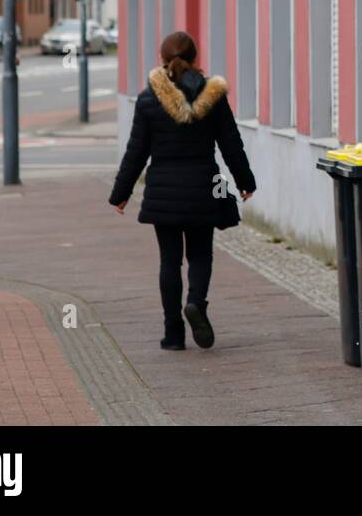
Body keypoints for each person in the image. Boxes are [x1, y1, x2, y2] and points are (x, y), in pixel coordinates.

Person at [109, 31, 257, 350]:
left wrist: (121, 193)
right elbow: (231, 144)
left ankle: (173, 333)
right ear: (195, 59)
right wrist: (246, 182)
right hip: (204, 188)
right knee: (201, 254)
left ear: (163, 60)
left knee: (169, 261)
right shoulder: (213, 97)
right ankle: (197, 304)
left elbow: (136, 151)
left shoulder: (149, 99)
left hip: (163, 191)